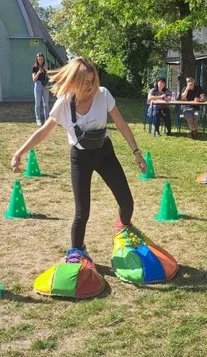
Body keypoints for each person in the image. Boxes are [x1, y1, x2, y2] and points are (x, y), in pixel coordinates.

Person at [12, 56, 147, 262]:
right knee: (82, 212)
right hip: (80, 158)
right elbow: (43, 131)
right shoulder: (64, 103)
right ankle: (76, 250)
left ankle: (123, 228)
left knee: (127, 202)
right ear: (74, 81)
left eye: (93, 81)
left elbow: (121, 124)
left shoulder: (103, 95)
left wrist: (136, 151)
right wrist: (19, 153)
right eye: (85, 82)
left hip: (105, 154)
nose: (90, 86)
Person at [32, 53, 50, 126]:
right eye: (39, 59)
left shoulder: (46, 66)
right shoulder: (34, 67)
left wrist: (46, 70)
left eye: (42, 59)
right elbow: (34, 79)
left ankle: (47, 119)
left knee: (46, 103)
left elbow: (49, 76)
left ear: (43, 59)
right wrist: (38, 72)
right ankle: (38, 119)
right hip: (38, 85)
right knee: (37, 103)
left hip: (45, 85)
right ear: (37, 59)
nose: (40, 60)